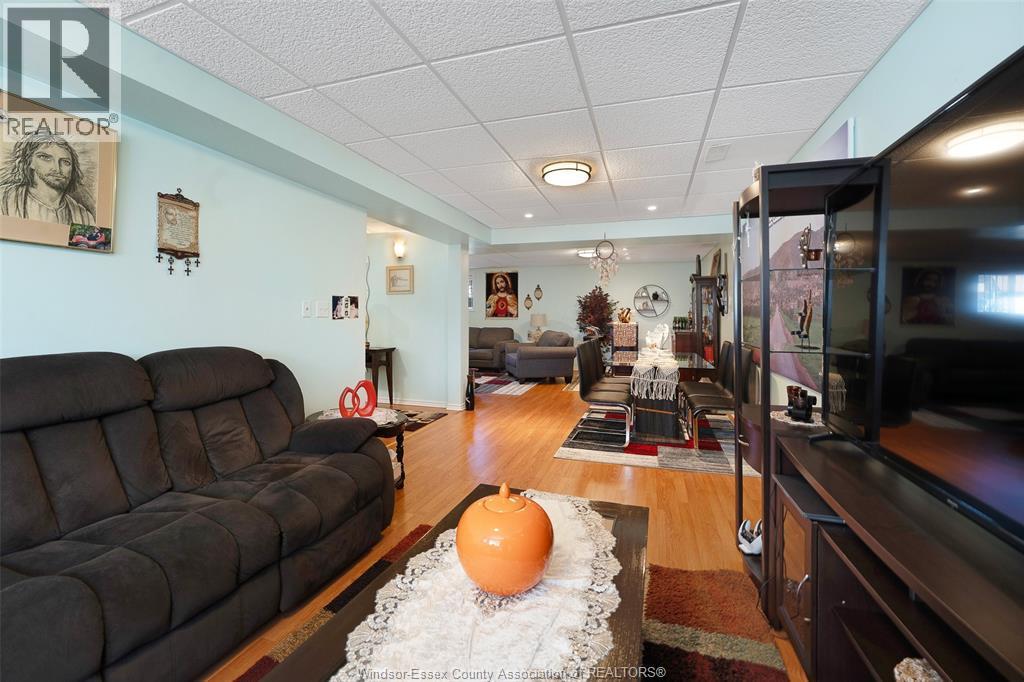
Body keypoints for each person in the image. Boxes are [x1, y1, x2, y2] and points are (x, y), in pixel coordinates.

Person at [1, 132, 97, 226]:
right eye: (45, 157)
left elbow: (93, 242)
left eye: (65, 162)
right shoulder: (4, 198)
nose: (57, 168)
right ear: (30, 162)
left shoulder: (85, 217)